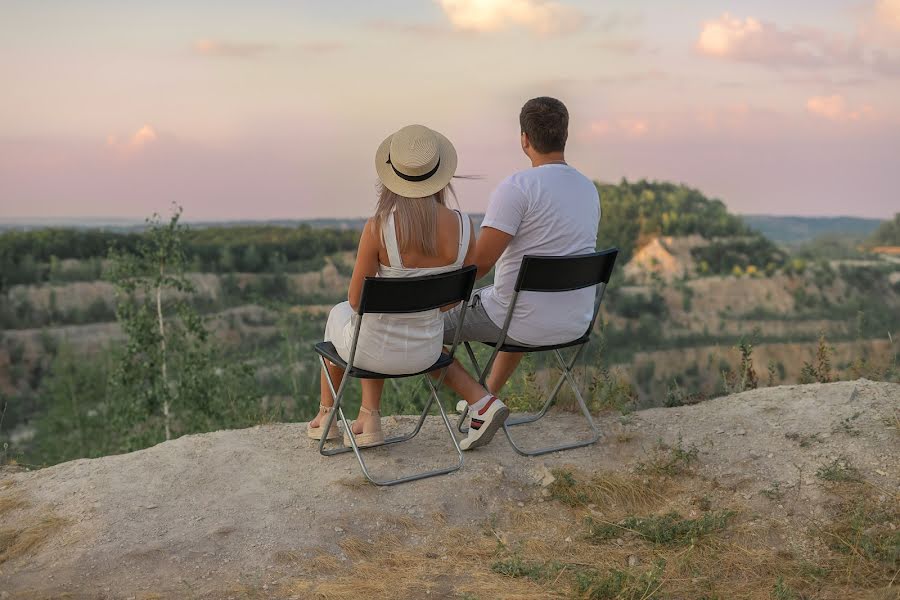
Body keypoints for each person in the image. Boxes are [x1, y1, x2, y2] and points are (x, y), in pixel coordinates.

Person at [440, 96, 601, 451]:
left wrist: (437, 304)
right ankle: (489, 397)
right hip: (574, 322)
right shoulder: (587, 189)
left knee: (420, 330)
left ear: (524, 138)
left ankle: (481, 402)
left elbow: (480, 266)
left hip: (521, 321)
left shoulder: (517, 189)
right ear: (566, 135)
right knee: (518, 302)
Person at [307, 124, 475, 448]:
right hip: (428, 352)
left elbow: (356, 300)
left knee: (339, 314)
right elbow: (454, 300)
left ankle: (328, 416)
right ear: (439, 173)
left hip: (373, 352)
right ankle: (367, 416)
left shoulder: (378, 229)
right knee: (373, 322)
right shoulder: (466, 228)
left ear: (392, 176)